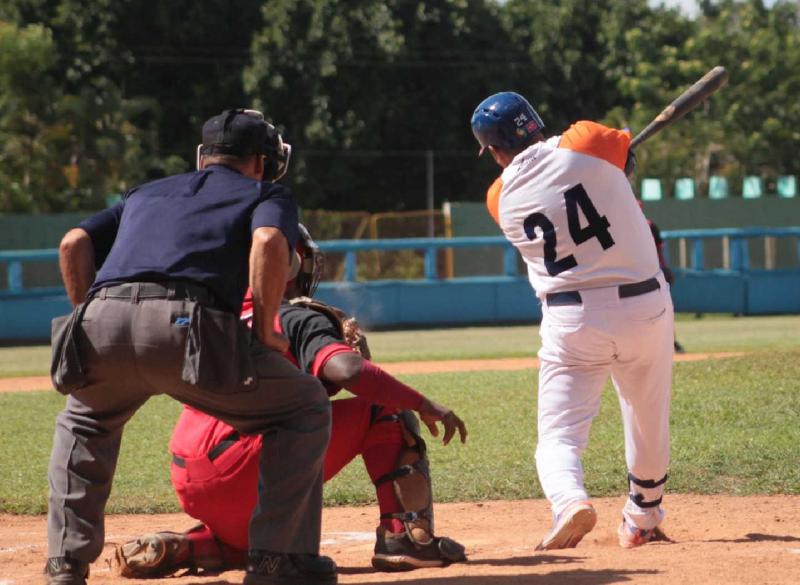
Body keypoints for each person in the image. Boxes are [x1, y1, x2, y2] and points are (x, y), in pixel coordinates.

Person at [45, 109, 338, 585]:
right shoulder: (266, 193)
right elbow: (266, 241)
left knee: (85, 422)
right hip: (188, 325)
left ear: (203, 156)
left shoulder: (146, 192)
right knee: (303, 406)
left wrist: (93, 321)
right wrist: (265, 331)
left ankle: (65, 564)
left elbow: (73, 241)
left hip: (101, 317)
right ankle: (275, 560)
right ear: (261, 163)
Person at [113, 227, 468, 577]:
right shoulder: (296, 314)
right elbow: (347, 370)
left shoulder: (212, 312)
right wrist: (423, 402)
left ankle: (195, 546)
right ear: (291, 265)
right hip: (245, 465)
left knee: (263, 542)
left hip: (189, 473)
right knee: (386, 408)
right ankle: (406, 538)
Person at [470, 92, 674, 550]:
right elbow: (625, 160)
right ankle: (642, 516)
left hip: (570, 319)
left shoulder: (498, 198)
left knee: (558, 436)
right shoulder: (584, 138)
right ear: (535, 123)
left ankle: (569, 500)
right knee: (646, 417)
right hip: (644, 306)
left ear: (494, 150)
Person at [638, 201, 685, 353]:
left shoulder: (650, 226)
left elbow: (659, 251)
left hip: (652, 273)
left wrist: (664, 268)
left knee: (663, 307)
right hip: (638, 275)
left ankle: (671, 341)